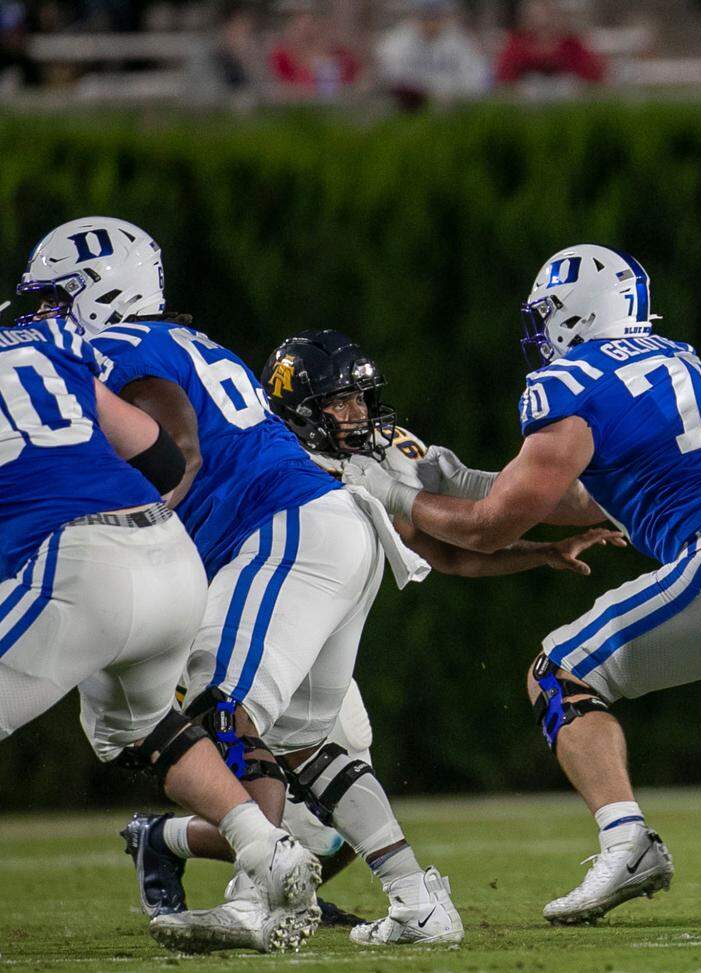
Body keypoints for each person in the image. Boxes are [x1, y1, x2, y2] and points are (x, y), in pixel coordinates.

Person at [347, 244, 701, 925]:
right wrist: (458, 481)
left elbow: (491, 528)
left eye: (547, 313)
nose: (539, 329)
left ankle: (626, 840)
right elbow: (585, 494)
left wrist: (394, 496)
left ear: (577, 312)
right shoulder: (675, 356)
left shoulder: (568, 379)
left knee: (560, 672)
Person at [120, 328, 621, 947]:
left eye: (361, 398)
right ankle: (409, 898)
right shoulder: (259, 443)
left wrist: (549, 539)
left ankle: (249, 892)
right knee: (306, 753)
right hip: (272, 582)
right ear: (297, 402)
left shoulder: (354, 452)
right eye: (340, 400)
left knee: (250, 727)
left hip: (297, 576)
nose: (357, 413)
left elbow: (465, 510)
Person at [17, 216, 376, 952]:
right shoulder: (197, 343)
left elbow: (171, 442)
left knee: (229, 712)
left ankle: (263, 886)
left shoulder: (109, 347)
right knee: (152, 724)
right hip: (234, 555)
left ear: (98, 289)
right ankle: (279, 861)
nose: (46, 315)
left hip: (233, 544)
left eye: (57, 298)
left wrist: (146, 508)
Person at [376, 0, 490, 110]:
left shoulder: (463, 42)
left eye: (436, 15)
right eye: (425, 14)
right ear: (414, 13)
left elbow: (478, 81)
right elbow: (391, 77)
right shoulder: (395, 41)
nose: (430, 20)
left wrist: (450, 94)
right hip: (407, 110)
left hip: (454, 110)